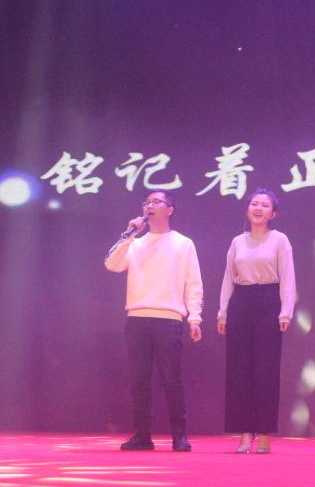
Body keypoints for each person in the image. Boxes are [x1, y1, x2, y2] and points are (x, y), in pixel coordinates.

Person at [104, 189, 203, 452]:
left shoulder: (183, 243)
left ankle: (179, 435)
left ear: (170, 210)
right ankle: (142, 435)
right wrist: (128, 235)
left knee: (171, 378)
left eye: (157, 202)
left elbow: (194, 283)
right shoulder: (135, 243)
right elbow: (111, 264)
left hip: (168, 318)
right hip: (137, 318)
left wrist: (194, 317)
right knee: (139, 380)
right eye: (147, 202)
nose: (150, 206)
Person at [217, 188, 296, 454]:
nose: (258, 208)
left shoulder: (280, 240)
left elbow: (287, 278)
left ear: (274, 213)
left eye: (265, 205)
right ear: (247, 209)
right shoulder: (237, 241)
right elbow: (228, 278)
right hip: (241, 301)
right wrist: (223, 312)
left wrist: (285, 311)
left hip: (268, 301)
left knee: (266, 370)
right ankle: (243, 432)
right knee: (239, 370)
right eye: (254, 204)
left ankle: (263, 433)